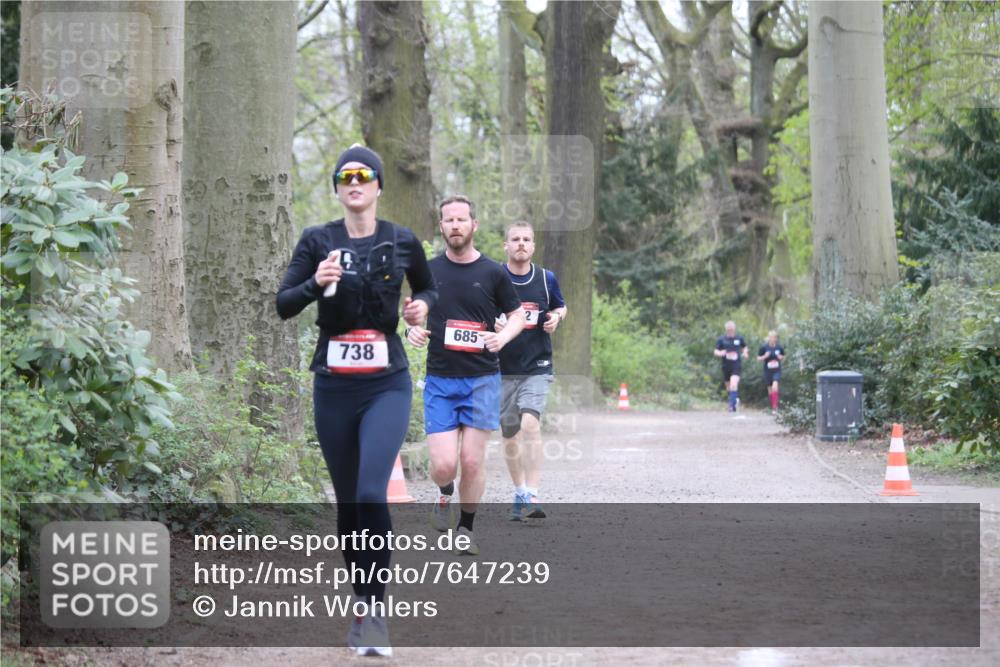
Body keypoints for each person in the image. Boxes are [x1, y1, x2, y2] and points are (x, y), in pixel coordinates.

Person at [276, 144, 436, 658]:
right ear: (338, 188)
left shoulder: (403, 240)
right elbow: (283, 303)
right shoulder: (317, 240)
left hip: (386, 382)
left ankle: (375, 610)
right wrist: (314, 283)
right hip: (334, 384)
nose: (355, 182)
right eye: (345, 176)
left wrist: (419, 309)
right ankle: (361, 603)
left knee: (372, 492)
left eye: (364, 175)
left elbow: (430, 291)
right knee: (348, 502)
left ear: (378, 186)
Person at [406, 195, 525, 555]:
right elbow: (412, 313)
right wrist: (411, 329)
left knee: (472, 461)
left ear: (474, 225)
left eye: (461, 219)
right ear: (440, 227)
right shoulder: (428, 271)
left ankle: (466, 529)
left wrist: (502, 336)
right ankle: (444, 493)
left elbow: (517, 315)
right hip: (441, 379)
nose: (455, 225)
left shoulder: (493, 273)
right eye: (448, 220)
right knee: (444, 467)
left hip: (482, 380)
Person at [495, 221, 567, 522]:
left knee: (530, 425)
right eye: (515, 239)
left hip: (537, 365)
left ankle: (533, 494)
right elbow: (479, 312)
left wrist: (555, 317)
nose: (521, 243)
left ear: (533, 246)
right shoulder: (494, 277)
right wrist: (493, 324)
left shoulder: (545, 278)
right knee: (510, 435)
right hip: (501, 369)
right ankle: (520, 490)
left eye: (527, 239)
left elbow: (561, 307)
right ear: (506, 245)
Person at [714, 320, 748, 412]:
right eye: (728, 330)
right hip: (726, 366)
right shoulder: (722, 339)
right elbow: (716, 351)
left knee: (733, 384)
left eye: (732, 330)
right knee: (729, 387)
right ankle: (734, 399)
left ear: (734, 329)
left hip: (736, 365)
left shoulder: (739, 338)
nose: (730, 332)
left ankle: (731, 407)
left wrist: (745, 353)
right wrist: (720, 353)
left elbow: (744, 347)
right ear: (726, 330)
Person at [757, 330, 786, 412]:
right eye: (771, 337)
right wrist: (764, 356)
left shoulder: (779, 347)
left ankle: (775, 407)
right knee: (770, 390)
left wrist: (781, 357)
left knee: (775, 386)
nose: (773, 339)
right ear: (768, 338)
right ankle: (773, 404)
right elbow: (758, 358)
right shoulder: (764, 347)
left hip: (777, 370)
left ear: (776, 339)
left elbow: (783, 356)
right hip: (768, 371)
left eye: (774, 337)